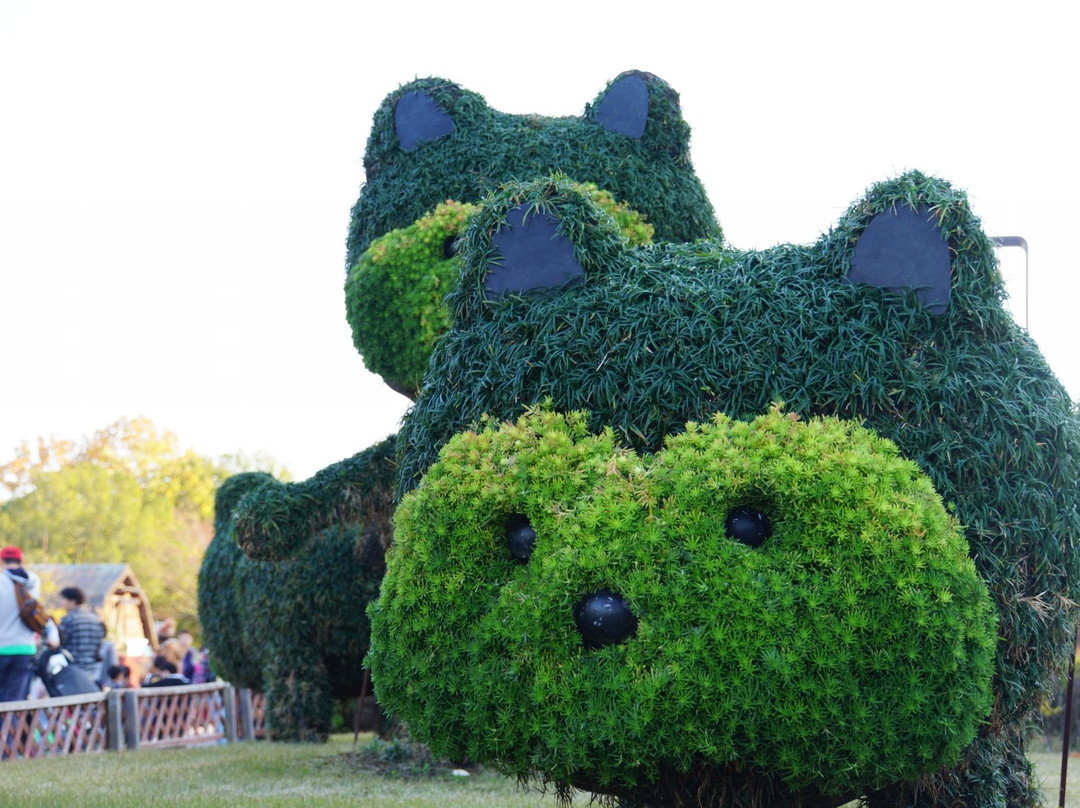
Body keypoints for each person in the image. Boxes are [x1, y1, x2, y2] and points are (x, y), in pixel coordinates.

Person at [0, 546, 41, 701]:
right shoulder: (33, 581)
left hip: (1, 647)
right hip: (25, 648)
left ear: (2, 560)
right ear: (21, 561)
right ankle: (12, 718)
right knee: (15, 698)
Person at [58, 586, 105, 677]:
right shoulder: (96, 619)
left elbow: (61, 642)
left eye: (63, 599)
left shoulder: (69, 619)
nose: (60, 602)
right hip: (92, 668)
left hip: (73, 667)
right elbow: (100, 643)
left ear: (72, 601)